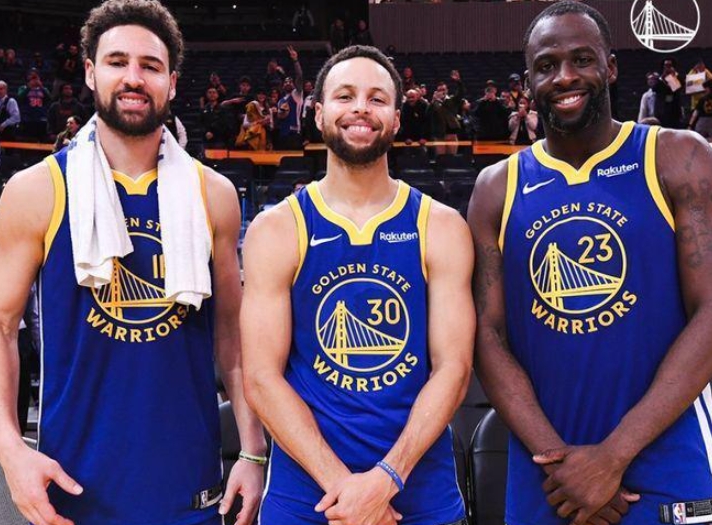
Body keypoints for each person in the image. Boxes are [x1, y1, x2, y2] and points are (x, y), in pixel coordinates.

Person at [0, 2, 265, 525]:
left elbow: (233, 338)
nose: (134, 78)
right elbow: (3, 327)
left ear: (172, 82)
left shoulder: (213, 195)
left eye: (151, 65)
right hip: (70, 488)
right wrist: (9, 447)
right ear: (90, 71)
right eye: (117, 62)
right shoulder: (37, 191)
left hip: (190, 485)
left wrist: (253, 453)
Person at [468, 3, 712, 525]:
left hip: (665, 467)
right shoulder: (496, 188)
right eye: (546, 65)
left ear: (611, 66)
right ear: (528, 82)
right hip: (548, 478)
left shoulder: (677, 156)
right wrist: (563, 464)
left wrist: (613, 457)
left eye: (581, 59)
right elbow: (487, 336)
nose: (564, 77)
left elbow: (711, 312)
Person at [241, 44, 475, 525]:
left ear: (397, 119)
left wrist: (386, 478)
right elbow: (261, 378)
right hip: (307, 502)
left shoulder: (442, 227)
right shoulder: (276, 229)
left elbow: (454, 368)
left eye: (377, 98)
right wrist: (347, 491)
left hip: (419, 498)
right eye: (345, 96)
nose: (361, 109)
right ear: (318, 113)